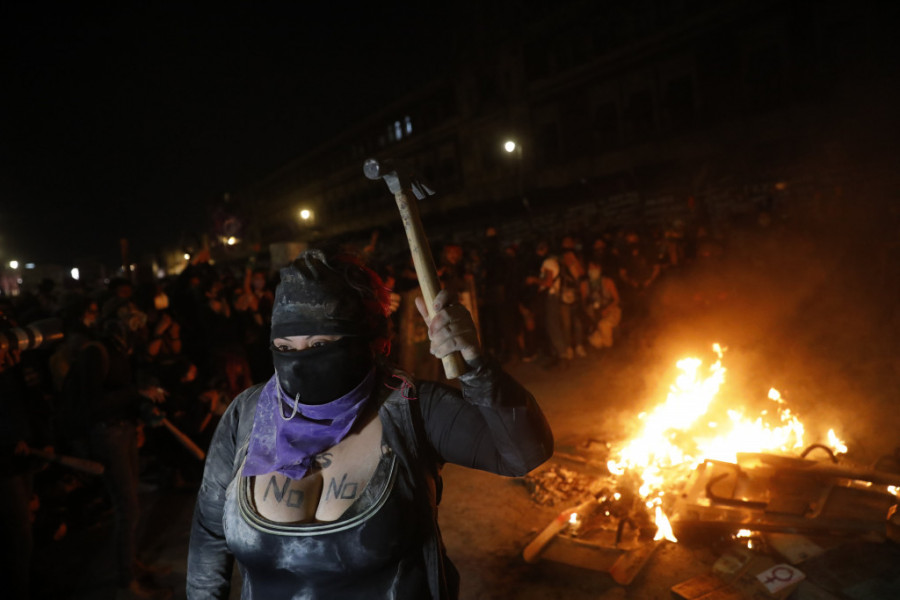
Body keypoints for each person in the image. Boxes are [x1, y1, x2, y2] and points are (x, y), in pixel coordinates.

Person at [187, 249, 553, 599]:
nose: (298, 362)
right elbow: (209, 534)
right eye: (284, 347)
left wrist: (475, 363)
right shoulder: (247, 414)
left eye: (319, 345)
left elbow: (522, 453)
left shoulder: (411, 407)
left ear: (366, 342)